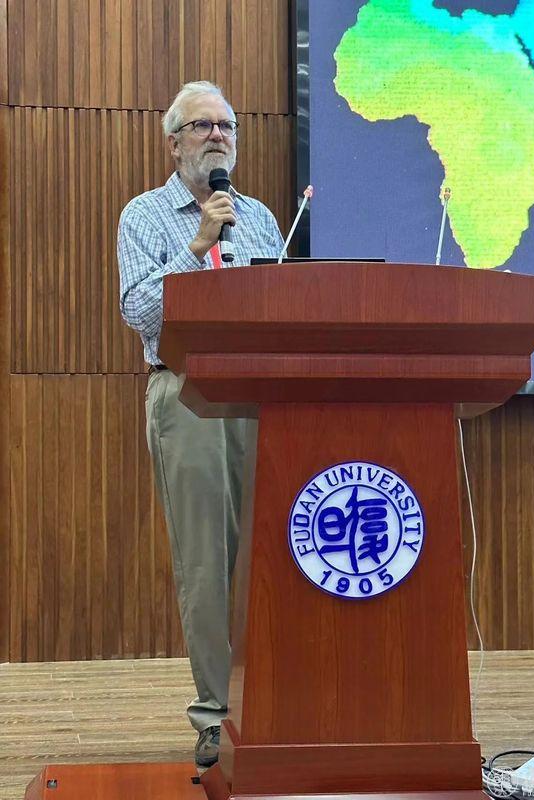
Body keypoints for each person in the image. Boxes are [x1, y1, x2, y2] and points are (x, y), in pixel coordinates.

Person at [117, 81, 285, 768]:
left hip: (265, 395)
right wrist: (197, 244)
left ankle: (271, 703)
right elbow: (138, 313)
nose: (218, 135)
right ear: (173, 143)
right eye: (202, 125)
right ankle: (216, 716)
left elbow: (286, 306)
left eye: (227, 126)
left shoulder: (262, 218)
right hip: (187, 392)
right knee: (207, 560)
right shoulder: (146, 215)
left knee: (271, 553)